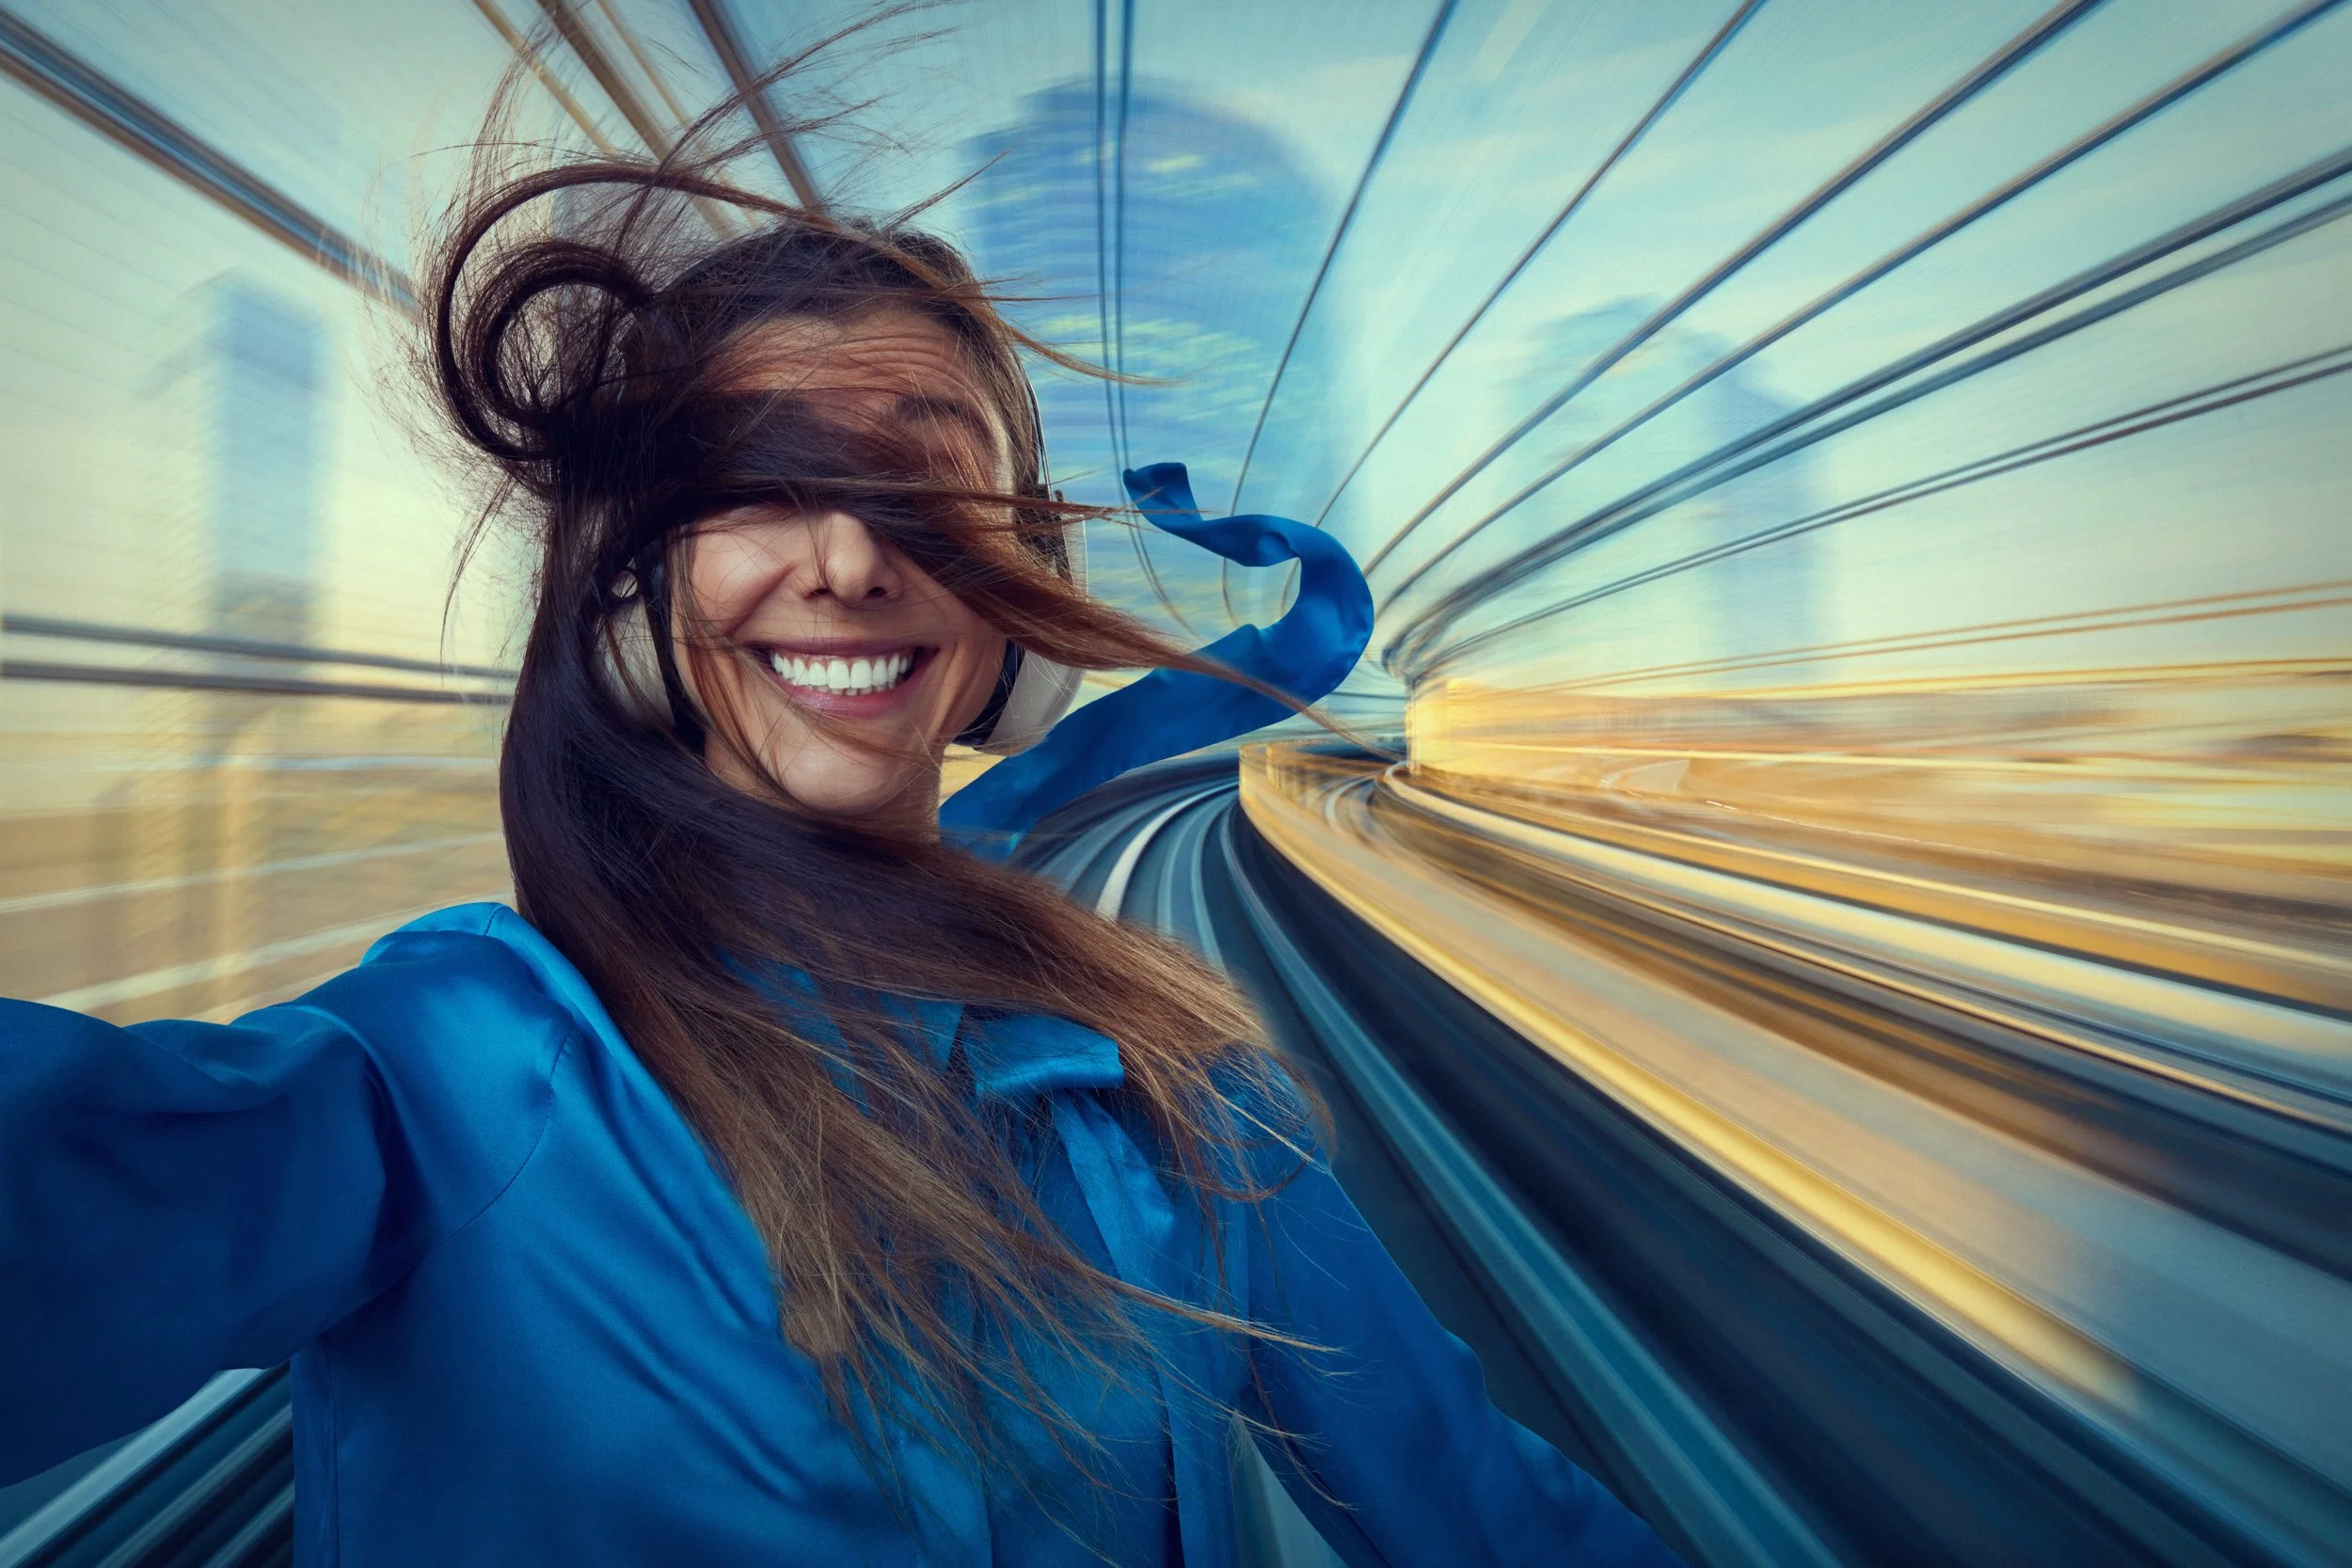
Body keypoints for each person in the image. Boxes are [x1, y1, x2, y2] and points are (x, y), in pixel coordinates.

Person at [0, 138, 1682, 1567]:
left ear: (1009, 616)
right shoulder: (462, 1059)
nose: (848, 561)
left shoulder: (1176, 1084)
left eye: (917, 492)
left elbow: (1475, 1502)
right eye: (757, 487)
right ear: (641, 598)